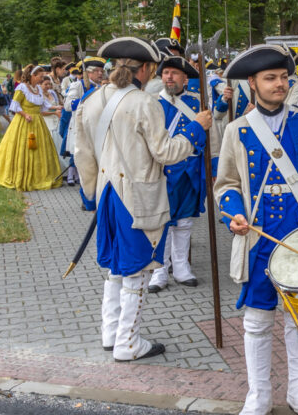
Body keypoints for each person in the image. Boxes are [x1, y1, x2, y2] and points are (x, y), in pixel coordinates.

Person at [213, 44, 298, 415]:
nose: (280, 84)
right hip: (259, 236)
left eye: (284, 78)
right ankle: (258, 396)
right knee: (256, 321)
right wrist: (233, 213)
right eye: (270, 78)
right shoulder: (237, 130)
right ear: (252, 84)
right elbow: (226, 184)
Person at [74, 37, 212, 362]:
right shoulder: (144, 102)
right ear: (147, 68)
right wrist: (195, 130)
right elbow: (166, 153)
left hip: (108, 195)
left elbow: (82, 156)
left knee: (115, 269)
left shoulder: (92, 101)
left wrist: (92, 194)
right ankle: (128, 343)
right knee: (136, 271)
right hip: (135, 198)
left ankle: (111, 333)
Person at [148, 55, 207, 293]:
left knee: (183, 222)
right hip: (162, 172)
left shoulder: (196, 104)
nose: (169, 77)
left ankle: (182, 268)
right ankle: (159, 270)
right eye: (165, 73)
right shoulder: (152, 103)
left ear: (185, 78)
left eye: (174, 73)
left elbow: (205, 137)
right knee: (162, 222)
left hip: (188, 171)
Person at [0, 65, 64, 191]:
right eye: (40, 77)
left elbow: (43, 106)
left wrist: (57, 108)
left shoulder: (38, 89)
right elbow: (14, 105)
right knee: (22, 148)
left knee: (41, 149)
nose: (42, 79)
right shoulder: (22, 88)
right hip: (24, 122)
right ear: (33, 75)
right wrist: (25, 114)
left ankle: (39, 176)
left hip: (38, 122)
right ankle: (20, 175)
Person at [62, 57, 105, 187]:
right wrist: (85, 98)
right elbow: (68, 105)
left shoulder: (100, 87)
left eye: (101, 70)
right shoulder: (77, 85)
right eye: (97, 71)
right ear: (89, 73)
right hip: (80, 127)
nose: (100, 73)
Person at [40, 76, 67, 171]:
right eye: (45, 84)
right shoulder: (39, 95)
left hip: (56, 120)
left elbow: (55, 104)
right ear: (40, 84)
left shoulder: (51, 93)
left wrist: (59, 108)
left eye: (49, 84)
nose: (48, 86)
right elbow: (41, 112)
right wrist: (54, 112)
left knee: (60, 143)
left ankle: (63, 168)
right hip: (47, 121)